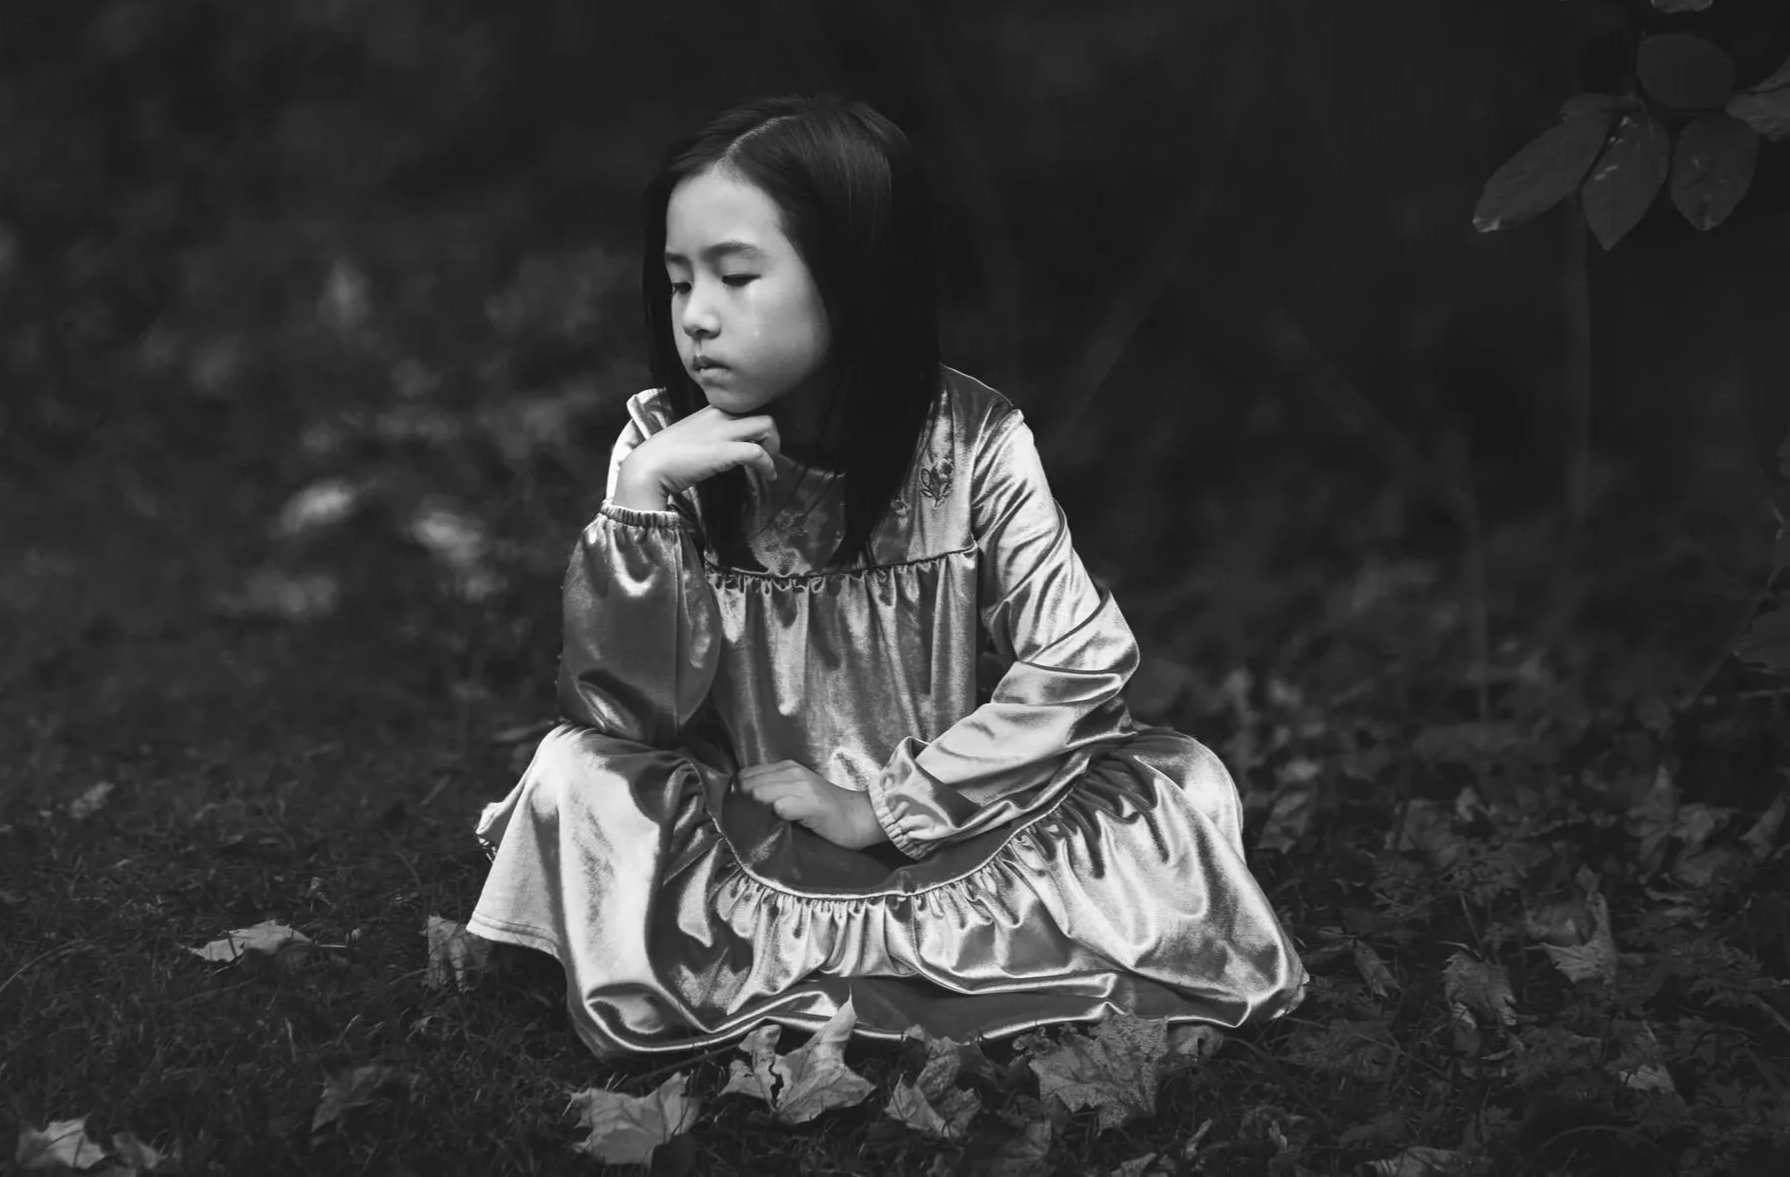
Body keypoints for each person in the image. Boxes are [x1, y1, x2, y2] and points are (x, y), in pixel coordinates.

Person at [467, 94, 1308, 1060]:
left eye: (738, 276)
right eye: (677, 279)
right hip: (744, 821)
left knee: (1177, 783)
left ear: (854, 281)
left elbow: (1079, 659)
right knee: (574, 774)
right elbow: (622, 719)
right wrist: (643, 499)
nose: (697, 317)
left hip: (945, 820)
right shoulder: (663, 448)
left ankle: (847, 962)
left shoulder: (973, 439)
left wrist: (882, 808)